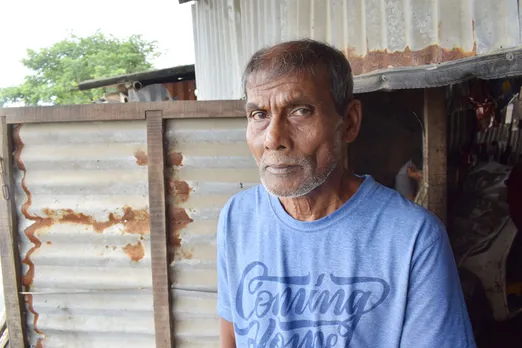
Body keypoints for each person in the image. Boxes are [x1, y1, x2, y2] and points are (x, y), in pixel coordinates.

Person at [217, 39, 475, 348]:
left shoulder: (413, 238)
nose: (273, 139)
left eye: (300, 111)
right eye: (259, 115)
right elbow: (231, 336)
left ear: (349, 122)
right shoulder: (237, 218)